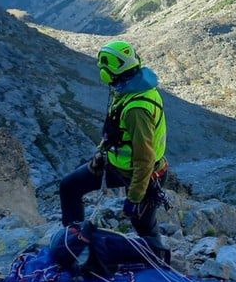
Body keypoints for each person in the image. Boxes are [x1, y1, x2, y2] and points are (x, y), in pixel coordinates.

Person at [57, 39, 170, 262]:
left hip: (143, 176)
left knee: (146, 231)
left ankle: (160, 262)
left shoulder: (136, 108)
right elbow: (116, 132)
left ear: (109, 74)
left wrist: (135, 196)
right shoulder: (129, 89)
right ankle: (73, 243)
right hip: (116, 165)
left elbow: (145, 158)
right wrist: (102, 153)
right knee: (69, 186)